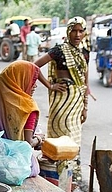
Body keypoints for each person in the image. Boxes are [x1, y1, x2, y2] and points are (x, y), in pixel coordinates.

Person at [34, 16, 90, 182]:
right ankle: (56, 178)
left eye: (81, 31)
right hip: (62, 102)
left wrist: (85, 107)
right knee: (61, 137)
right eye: (74, 30)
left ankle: (69, 177)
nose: (77, 34)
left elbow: (85, 82)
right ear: (68, 31)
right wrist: (50, 86)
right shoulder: (59, 50)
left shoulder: (84, 53)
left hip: (77, 101)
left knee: (74, 138)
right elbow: (34, 66)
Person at [0, 60, 58, 160]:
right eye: (31, 80)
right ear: (20, 81)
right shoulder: (27, 107)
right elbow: (27, 144)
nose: (35, 85)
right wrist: (39, 139)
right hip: (17, 166)